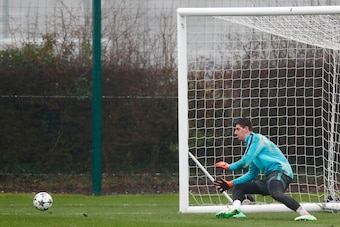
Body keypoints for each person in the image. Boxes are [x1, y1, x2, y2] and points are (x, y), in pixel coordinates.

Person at [213, 118, 317, 221]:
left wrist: (228, 167)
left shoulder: (256, 138)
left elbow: (245, 162)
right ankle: (235, 209)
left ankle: (305, 214)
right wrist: (231, 183)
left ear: (246, 129)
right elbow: (251, 175)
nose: (235, 133)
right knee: (239, 187)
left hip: (280, 172)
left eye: (237, 129)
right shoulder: (253, 149)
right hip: (270, 177)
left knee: (275, 192)